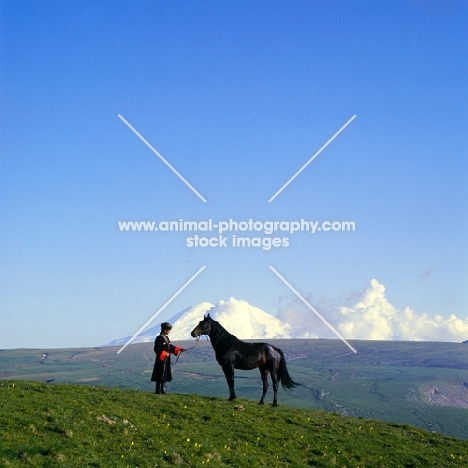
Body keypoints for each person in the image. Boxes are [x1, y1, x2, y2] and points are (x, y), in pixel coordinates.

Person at [151, 322, 185, 394]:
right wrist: (164, 353)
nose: (169, 332)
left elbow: (170, 347)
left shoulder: (166, 338)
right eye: (168, 330)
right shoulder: (159, 338)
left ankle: (163, 390)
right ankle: (158, 391)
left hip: (166, 360)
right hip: (161, 360)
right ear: (165, 330)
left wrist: (179, 349)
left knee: (164, 374)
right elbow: (156, 349)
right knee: (160, 374)